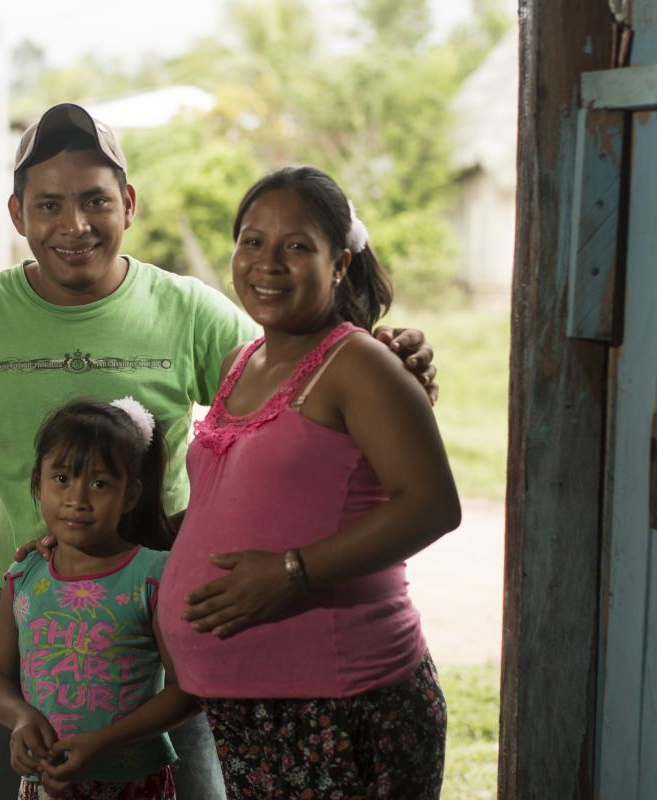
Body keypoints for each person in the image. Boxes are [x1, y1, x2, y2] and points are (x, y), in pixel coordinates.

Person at [0, 103, 437, 800]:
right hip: (30, 665)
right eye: (49, 205)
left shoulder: (187, 308)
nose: (73, 226)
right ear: (17, 214)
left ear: (129, 204)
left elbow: (301, 383)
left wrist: (385, 358)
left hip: (166, 664)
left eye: (94, 202)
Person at [157, 166, 462, 799]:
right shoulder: (244, 360)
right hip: (257, 714)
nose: (267, 263)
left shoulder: (359, 364)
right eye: (252, 241)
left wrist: (291, 570)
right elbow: (234, 506)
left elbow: (432, 506)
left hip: (340, 706)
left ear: (341, 263)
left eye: (296, 245)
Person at [0, 398, 197, 799]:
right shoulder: (23, 576)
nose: (77, 498)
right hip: (46, 783)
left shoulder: (153, 576)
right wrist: (21, 717)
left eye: (99, 483)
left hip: (133, 785)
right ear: (36, 483)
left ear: (130, 495)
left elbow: (189, 690)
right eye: (61, 478)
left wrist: (105, 741)